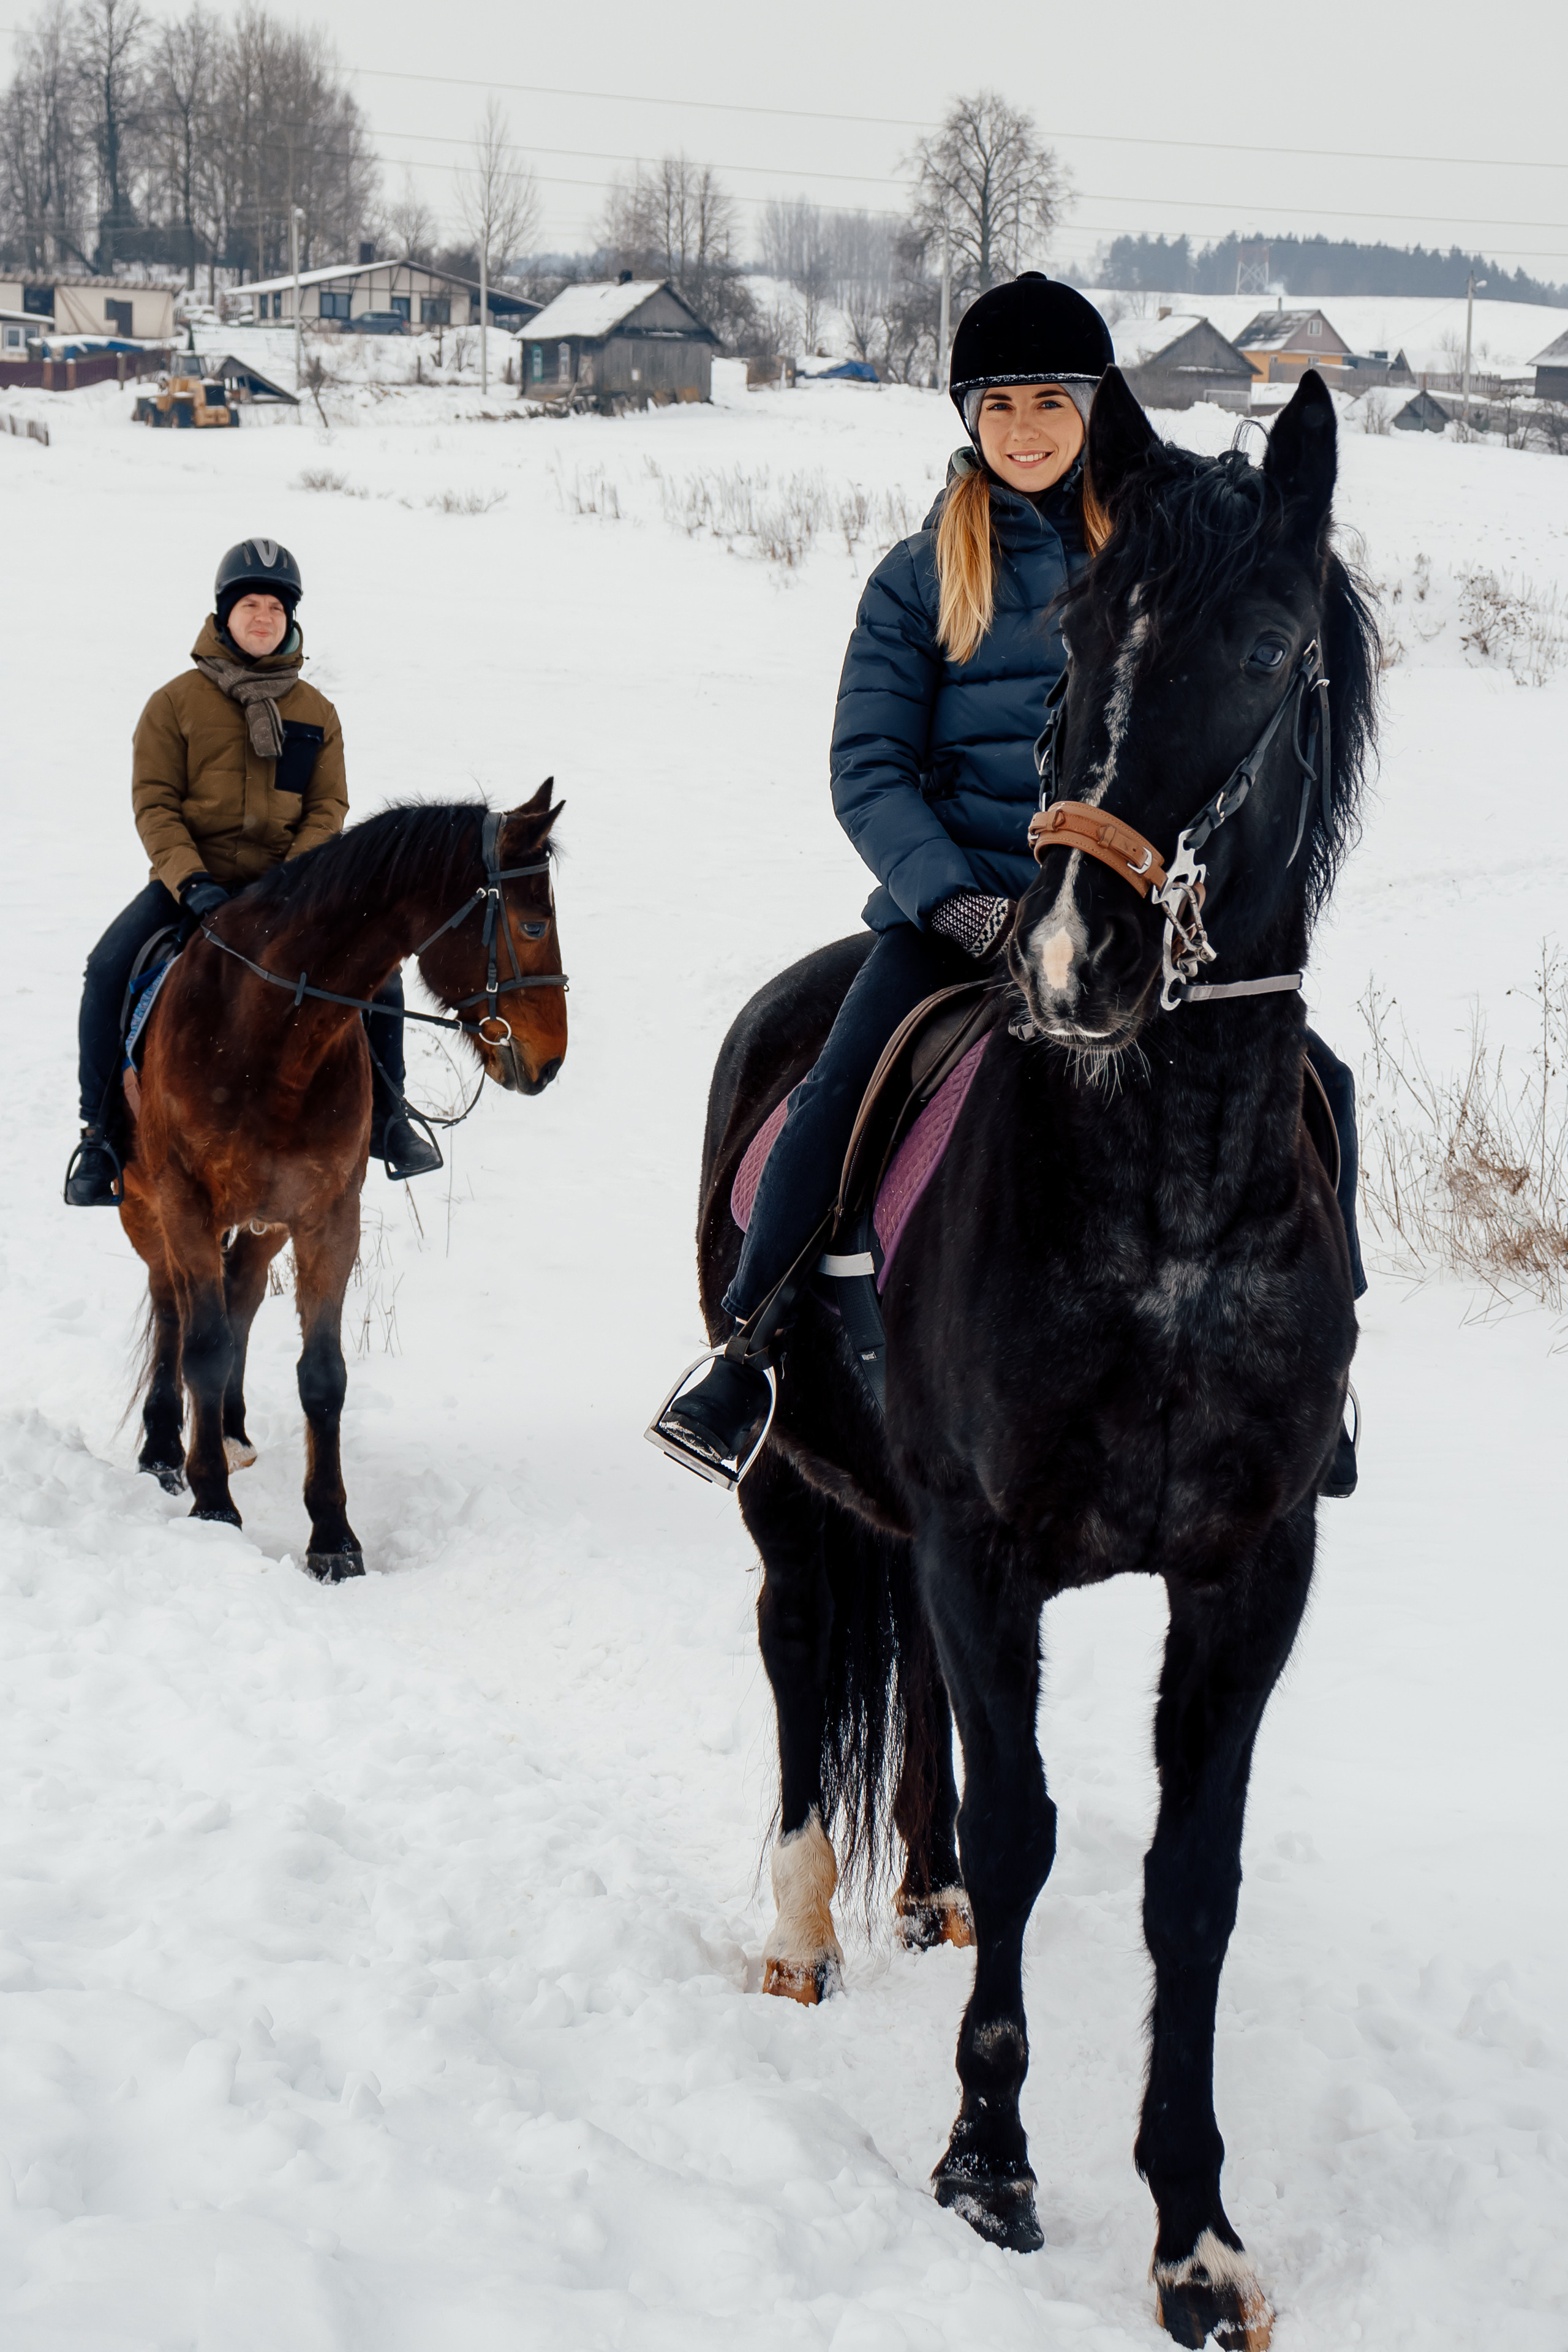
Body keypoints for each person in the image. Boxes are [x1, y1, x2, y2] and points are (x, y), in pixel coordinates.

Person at [654, 273, 1366, 1489]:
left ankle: (1320, 1372)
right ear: (965, 421)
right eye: (998, 407)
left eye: (1052, 400)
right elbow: (867, 768)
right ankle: (750, 1347)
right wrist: (954, 898)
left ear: (1096, 408)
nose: (1026, 429)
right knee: (836, 1087)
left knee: (1320, 1084)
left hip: (1134, 915)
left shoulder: (1159, 550)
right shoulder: (918, 576)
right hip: (963, 915)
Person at [64, 537, 442, 1207]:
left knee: (379, 982)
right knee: (107, 968)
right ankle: (100, 1134)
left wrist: (294, 885)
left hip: (290, 894)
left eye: (275, 606)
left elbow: (328, 806)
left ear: (290, 619)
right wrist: (191, 882)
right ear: (224, 615)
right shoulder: (173, 704)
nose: (263, 617)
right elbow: (155, 803)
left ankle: (390, 1118)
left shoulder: (316, 713)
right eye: (250, 606)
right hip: (191, 886)